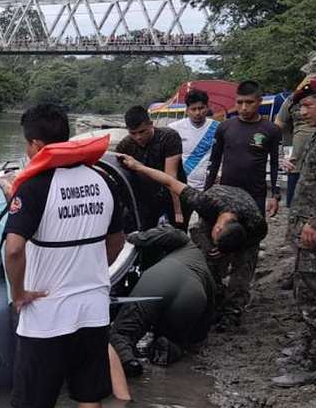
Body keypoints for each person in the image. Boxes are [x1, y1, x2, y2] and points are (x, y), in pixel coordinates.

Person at [3, 104, 126, 408]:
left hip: (45, 310)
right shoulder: (102, 180)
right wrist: (95, 271)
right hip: (93, 307)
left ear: (37, 144)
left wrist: (19, 292)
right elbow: (117, 239)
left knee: (29, 401)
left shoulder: (36, 187)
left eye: (27, 145)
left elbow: (13, 250)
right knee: (90, 393)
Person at [116, 154, 268, 332]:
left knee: (243, 271)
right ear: (216, 228)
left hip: (247, 232)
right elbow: (169, 182)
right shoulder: (204, 203)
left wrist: (229, 250)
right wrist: (138, 166)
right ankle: (213, 294)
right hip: (217, 208)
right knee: (207, 260)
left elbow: (251, 244)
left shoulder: (257, 225)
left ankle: (232, 312)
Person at [202, 80, 282, 328]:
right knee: (218, 249)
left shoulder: (270, 130)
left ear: (259, 102)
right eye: (240, 103)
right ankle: (214, 299)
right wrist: (207, 194)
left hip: (255, 201)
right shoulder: (225, 127)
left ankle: (235, 306)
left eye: (249, 102)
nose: (244, 107)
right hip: (225, 200)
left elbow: (275, 165)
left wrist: (275, 195)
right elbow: (214, 163)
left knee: (247, 253)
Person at [109, 225, 216, 377]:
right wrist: (194, 339)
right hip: (193, 294)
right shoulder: (207, 275)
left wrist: (134, 237)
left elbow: (169, 234)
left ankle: (129, 363)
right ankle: (167, 348)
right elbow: (207, 316)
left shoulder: (186, 243)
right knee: (174, 340)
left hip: (160, 279)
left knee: (121, 334)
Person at [273, 79, 316, 387]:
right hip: (305, 224)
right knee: (305, 290)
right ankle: (308, 347)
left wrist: (315, 222)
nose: (302, 111)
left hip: (313, 227)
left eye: (307, 105)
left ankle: (314, 363)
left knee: (313, 294)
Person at [116, 105, 185, 229]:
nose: (138, 137)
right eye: (133, 133)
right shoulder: (125, 146)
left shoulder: (169, 137)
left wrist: (178, 211)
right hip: (146, 198)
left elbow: (171, 177)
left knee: (178, 233)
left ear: (151, 124)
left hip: (174, 193)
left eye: (142, 131)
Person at [275, 77, 316, 209]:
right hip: (298, 165)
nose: (303, 112)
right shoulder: (293, 99)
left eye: (307, 106)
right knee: (295, 208)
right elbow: (277, 126)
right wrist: (281, 156)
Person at [169, 89, 220, 191]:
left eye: (201, 108)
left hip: (210, 188)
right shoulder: (174, 128)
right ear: (187, 110)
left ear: (207, 107)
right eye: (193, 109)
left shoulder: (218, 128)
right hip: (184, 188)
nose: (198, 113)